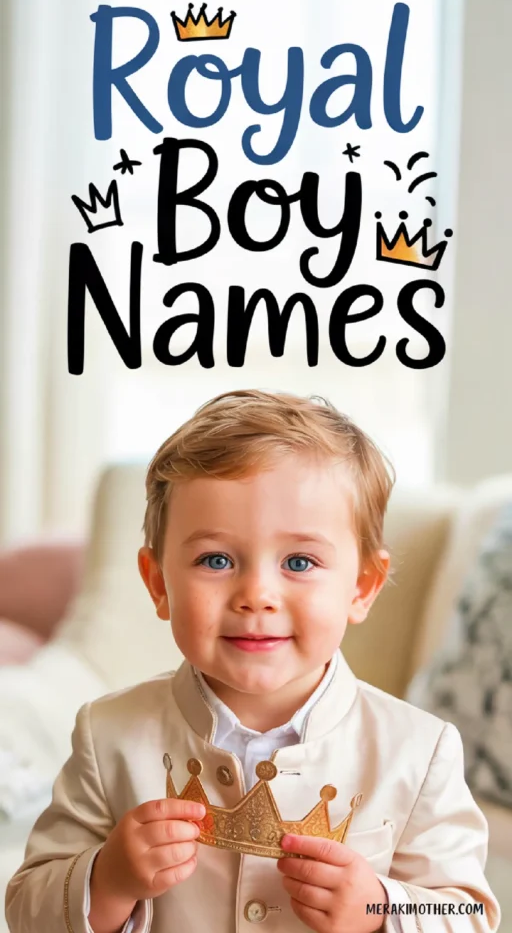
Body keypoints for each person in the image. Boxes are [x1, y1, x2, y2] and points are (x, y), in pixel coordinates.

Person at [5, 390, 500, 933]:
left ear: (362, 587)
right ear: (158, 583)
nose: (256, 595)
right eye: (216, 559)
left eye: (299, 562)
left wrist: (378, 907)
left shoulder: (419, 750)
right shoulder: (108, 734)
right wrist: (108, 880)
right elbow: (27, 907)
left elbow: (467, 912)